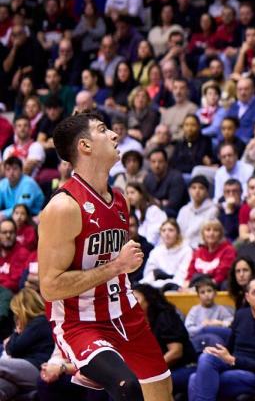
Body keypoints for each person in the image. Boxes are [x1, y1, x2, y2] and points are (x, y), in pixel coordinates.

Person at [37, 113, 172, 400]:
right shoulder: (63, 207)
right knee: (128, 388)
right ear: (85, 146)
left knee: (161, 393)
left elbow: (109, 262)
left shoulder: (120, 199)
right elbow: (49, 287)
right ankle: (82, 364)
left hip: (126, 314)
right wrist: (116, 266)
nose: (113, 135)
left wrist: (121, 267)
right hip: (80, 323)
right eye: (103, 130)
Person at [188, 276, 255, 401]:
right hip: (233, 364)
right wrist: (218, 353)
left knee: (195, 380)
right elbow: (230, 348)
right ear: (247, 297)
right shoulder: (241, 315)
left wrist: (233, 360)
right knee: (206, 357)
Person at [131, 284, 197, 395]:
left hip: (184, 367)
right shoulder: (137, 322)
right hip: (161, 370)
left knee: (142, 386)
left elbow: (176, 352)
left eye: (136, 299)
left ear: (149, 300)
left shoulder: (165, 316)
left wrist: (150, 371)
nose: (131, 304)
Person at [0, 288, 53, 400]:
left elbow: (13, 349)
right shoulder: (37, 323)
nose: (16, 317)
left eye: (16, 313)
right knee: (3, 386)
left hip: (37, 369)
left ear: (23, 309)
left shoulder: (39, 322)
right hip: (24, 372)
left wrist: (16, 332)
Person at [184, 275, 234, 349]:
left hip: (218, 340)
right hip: (200, 341)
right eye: (202, 292)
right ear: (198, 295)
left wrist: (219, 323)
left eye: (209, 291)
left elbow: (231, 323)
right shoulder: (195, 310)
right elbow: (188, 329)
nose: (206, 294)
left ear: (215, 293)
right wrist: (203, 326)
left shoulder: (221, 309)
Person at [140, 219, 192, 291]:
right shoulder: (156, 251)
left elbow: (181, 276)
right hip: (155, 287)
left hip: (176, 287)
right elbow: (149, 274)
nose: (166, 233)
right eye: (163, 230)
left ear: (177, 233)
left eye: (171, 230)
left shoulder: (186, 250)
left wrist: (165, 283)